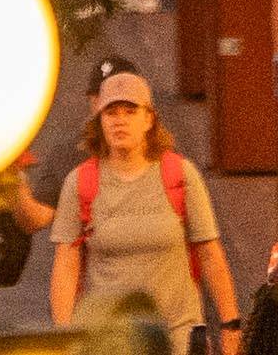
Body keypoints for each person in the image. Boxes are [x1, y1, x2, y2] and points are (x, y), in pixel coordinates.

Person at [46, 66, 236, 352]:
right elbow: (66, 266)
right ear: (99, 121)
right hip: (108, 342)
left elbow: (210, 254)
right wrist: (65, 338)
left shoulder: (180, 175)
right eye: (111, 113)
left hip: (177, 338)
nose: (120, 121)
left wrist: (230, 324)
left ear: (149, 119)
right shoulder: (81, 182)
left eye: (130, 111)